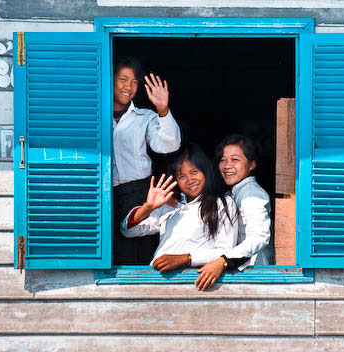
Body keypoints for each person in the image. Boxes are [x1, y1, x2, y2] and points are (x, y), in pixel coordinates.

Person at [120, 143, 238, 272]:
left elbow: (226, 251)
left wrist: (185, 259)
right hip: (157, 280)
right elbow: (128, 231)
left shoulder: (222, 203)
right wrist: (148, 208)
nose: (190, 180)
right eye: (182, 176)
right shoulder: (171, 205)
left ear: (206, 171)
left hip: (193, 280)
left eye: (194, 172)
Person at [112, 56, 181, 265]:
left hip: (140, 193)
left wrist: (163, 109)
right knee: (113, 254)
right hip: (106, 195)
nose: (129, 87)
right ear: (110, 79)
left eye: (134, 82)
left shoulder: (145, 117)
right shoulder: (94, 116)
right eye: (123, 79)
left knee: (144, 253)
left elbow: (168, 145)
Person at [195, 134, 272, 291]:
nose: (227, 165)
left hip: (256, 276)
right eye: (223, 160)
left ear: (251, 165)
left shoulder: (251, 193)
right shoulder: (233, 193)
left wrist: (222, 261)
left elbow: (259, 237)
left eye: (235, 160)